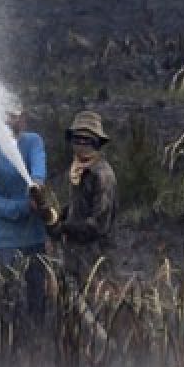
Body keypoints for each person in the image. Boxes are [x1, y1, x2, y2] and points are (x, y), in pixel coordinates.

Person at [0, 107, 55, 326]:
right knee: (11, 305)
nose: (15, 120)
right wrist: (25, 207)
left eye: (18, 115)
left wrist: (36, 184)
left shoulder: (33, 142)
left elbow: (38, 164)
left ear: (24, 118)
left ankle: (36, 350)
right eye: (8, 115)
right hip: (5, 243)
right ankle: (11, 351)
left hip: (34, 241)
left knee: (37, 304)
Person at [50, 110, 118, 284]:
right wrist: (59, 216)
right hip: (73, 253)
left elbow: (98, 225)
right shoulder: (78, 168)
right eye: (77, 138)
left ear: (96, 142)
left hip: (93, 256)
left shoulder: (102, 175)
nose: (80, 143)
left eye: (86, 139)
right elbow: (78, 205)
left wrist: (64, 228)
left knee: (89, 305)